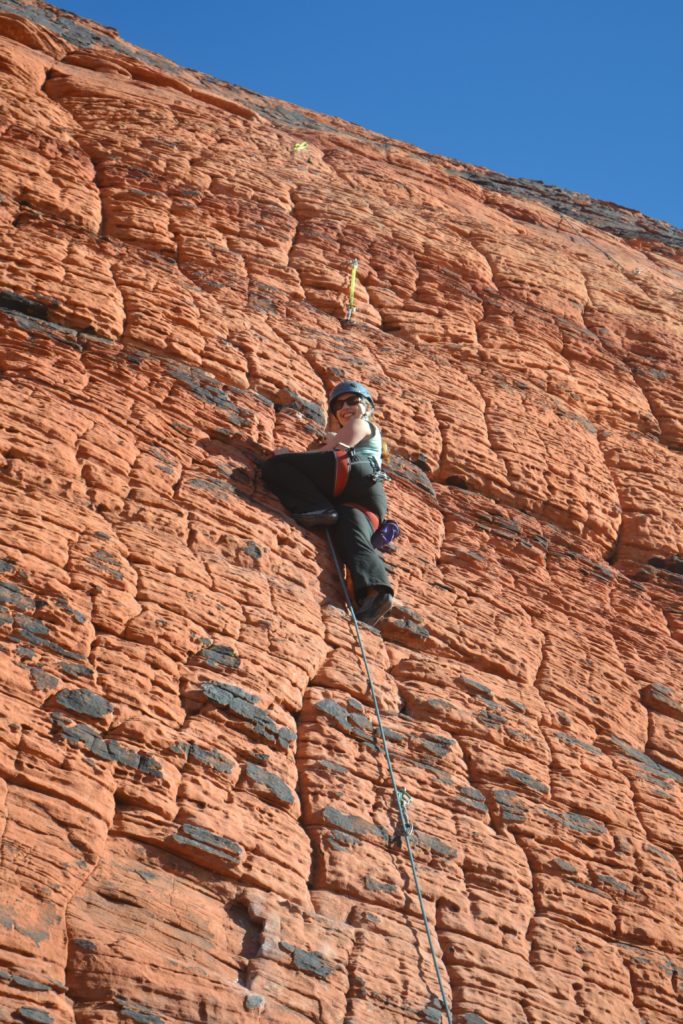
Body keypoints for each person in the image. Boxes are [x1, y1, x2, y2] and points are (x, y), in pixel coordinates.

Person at [261, 381, 394, 626]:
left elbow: (334, 453)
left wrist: (286, 455)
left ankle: (317, 508)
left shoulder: (360, 423)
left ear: (367, 407)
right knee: (353, 537)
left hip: (351, 472)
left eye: (352, 401)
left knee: (276, 466)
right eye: (338, 405)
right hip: (369, 500)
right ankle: (376, 593)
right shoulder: (369, 434)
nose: (345, 407)